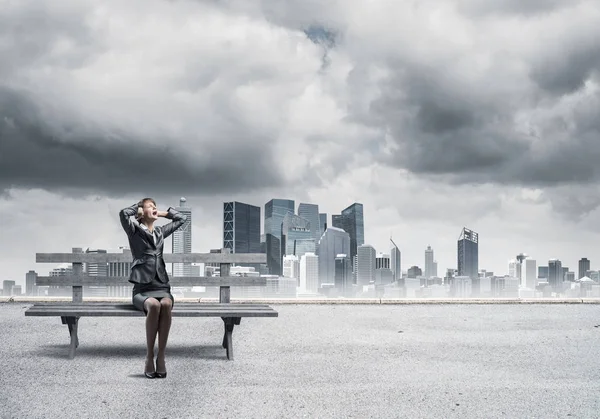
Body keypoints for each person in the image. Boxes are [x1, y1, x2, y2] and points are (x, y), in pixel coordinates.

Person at [119, 198, 187, 379]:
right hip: (142, 290)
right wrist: (139, 209)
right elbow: (123, 213)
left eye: (155, 206)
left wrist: (163, 213)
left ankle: (162, 357)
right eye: (151, 206)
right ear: (141, 213)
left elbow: (181, 219)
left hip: (162, 286)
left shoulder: (160, 232)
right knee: (154, 306)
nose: (154, 208)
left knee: (165, 304)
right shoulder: (133, 231)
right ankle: (149, 356)